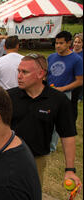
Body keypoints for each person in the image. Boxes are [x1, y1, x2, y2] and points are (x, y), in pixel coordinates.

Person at [8, 54, 81, 188]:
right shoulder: (8, 97)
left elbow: (67, 135)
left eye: (24, 72)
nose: (19, 76)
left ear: (41, 74)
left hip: (36, 160)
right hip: (7, 157)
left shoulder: (58, 100)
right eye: (18, 71)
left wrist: (70, 170)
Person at [47, 31, 83, 152]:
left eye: (61, 43)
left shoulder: (76, 60)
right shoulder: (51, 57)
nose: (58, 46)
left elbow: (80, 81)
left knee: (58, 121)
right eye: (56, 43)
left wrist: (63, 88)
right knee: (46, 117)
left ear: (69, 43)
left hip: (64, 94)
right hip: (49, 92)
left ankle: (51, 146)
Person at [71, 33, 83, 124]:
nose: (76, 44)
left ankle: (72, 121)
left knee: (73, 103)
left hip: (77, 82)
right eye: (75, 42)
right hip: (67, 81)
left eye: (79, 42)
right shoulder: (68, 52)